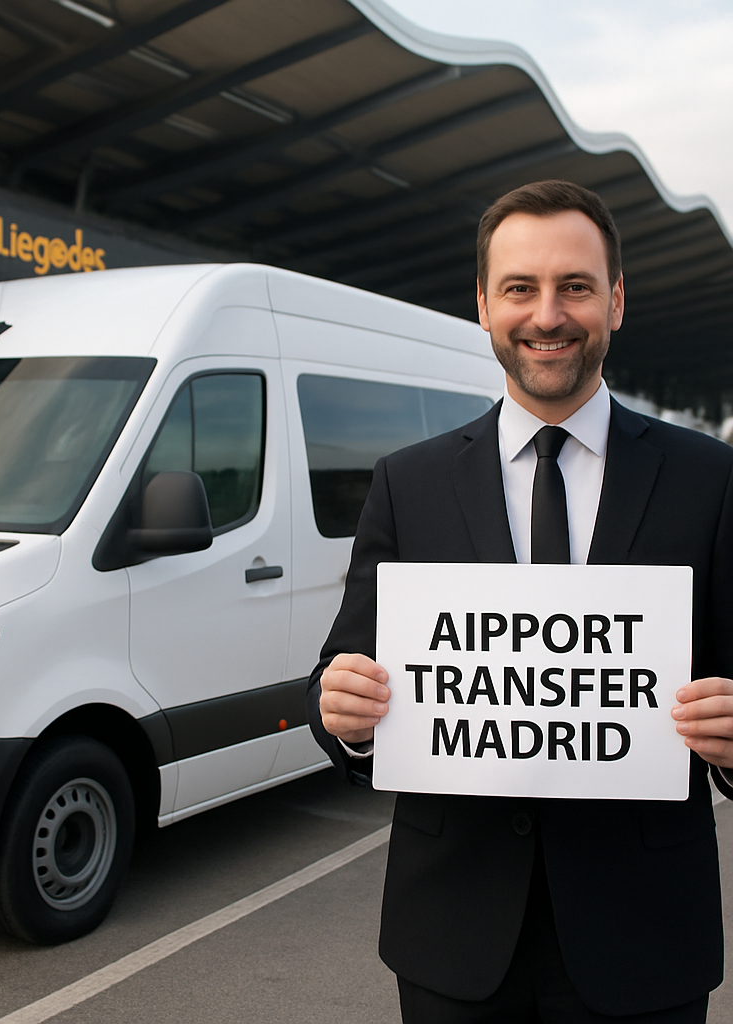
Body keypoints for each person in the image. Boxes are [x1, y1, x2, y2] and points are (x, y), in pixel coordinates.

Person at [308, 180, 733, 1023]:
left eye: (575, 286)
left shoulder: (709, 479)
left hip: (643, 939)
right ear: (483, 305)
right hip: (453, 939)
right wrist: (341, 711)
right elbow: (341, 678)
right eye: (520, 288)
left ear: (615, 299)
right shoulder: (410, 482)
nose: (548, 315)